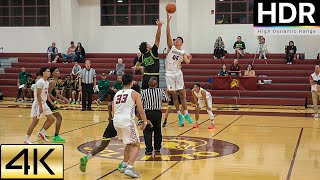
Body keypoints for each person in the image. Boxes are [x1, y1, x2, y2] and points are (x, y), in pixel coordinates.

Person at [79, 80, 152, 174]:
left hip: (114, 122)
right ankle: (127, 166)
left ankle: (87, 157)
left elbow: (110, 105)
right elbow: (139, 112)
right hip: (125, 122)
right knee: (132, 144)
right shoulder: (133, 96)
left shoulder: (119, 94)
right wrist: (145, 121)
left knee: (102, 145)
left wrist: (110, 116)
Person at [113, 74, 148, 178]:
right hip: (127, 121)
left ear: (122, 82)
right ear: (132, 82)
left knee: (129, 143)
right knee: (137, 145)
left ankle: (124, 164)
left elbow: (113, 110)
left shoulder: (117, 93)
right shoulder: (135, 93)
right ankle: (130, 168)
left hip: (116, 121)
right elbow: (141, 110)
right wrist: (145, 121)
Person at [166, 13, 193, 126]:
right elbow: (168, 34)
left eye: (178, 40)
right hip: (169, 73)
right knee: (174, 95)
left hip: (178, 73)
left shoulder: (183, 52)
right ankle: (179, 115)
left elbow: (187, 61)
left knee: (182, 93)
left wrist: (189, 59)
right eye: (175, 39)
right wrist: (168, 22)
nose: (176, 40)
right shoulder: (171, 48)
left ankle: (186, 113)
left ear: (181, 43)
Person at [24, 67, 56, 144]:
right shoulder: (40, 82)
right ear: (43, 73)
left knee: (52, 119)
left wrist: (51, 102)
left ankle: (42, 132)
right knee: (35, 122)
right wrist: (41, 107)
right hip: (38, 104)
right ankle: (26, 139)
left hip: (44, 103)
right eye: (48, 71)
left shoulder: (47, 82)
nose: (49, 72)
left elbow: (46, 94)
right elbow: (38, 95)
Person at [132, 19, 163, 89]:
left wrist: (136, 67)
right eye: (148, 44)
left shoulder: (143, 56)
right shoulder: (153, 51)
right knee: (154, 94)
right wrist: (159, 27)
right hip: (154, 76)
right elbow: (158, 38)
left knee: (144, 94)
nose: (149, 44)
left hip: (145, 77)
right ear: (147, 48)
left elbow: (137, 65)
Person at [39, 67, 67, 143]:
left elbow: (55, 93)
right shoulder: (52, 82)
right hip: (47, 101)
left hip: (47, 101)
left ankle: (41, 132)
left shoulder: (54, 81)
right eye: (56, 71)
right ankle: (56, 136)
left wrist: (63, 98)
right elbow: (48, 93)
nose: (59, 72)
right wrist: (56, 101)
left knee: (49, 118)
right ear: (52, 73)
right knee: (59, 117)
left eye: (58, 70)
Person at [141, 77, 168, 155]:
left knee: (147, 132)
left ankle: (149, 149)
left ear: (148, 83)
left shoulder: (144, 92)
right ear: (157, 85)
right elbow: (166, 99)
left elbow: (140, 103)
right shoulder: (160, 91)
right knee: (157, 131)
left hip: (148, 113)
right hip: (157, 113)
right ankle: (157, 147)